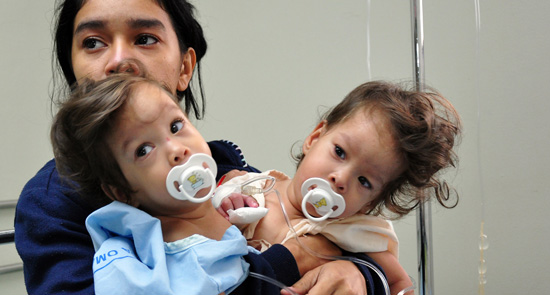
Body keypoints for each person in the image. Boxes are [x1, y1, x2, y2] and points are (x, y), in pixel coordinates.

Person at [14, 1, 382, 294]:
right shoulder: (51, 204)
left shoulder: (226, 171)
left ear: (184, 68)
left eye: (144, 38)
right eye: (92, 42)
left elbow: (347, 239)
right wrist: (292, 260)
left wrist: (359, 274)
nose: (118, 62)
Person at [216, 81, 462, 295]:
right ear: (314, 139)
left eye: (364, 181)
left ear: (370, 204)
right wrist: (227, 204)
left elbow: (400, 283)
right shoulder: (252, 186)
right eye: (340, 152)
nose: (341, 178)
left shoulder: (349, 229)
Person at [52, 75, 254, 294]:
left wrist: (233, 210)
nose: (176, 149)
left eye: (175, 126)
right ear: (122, 192)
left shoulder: (218, 199)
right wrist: (284, 259)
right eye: (144, 150)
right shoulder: (176, 255)